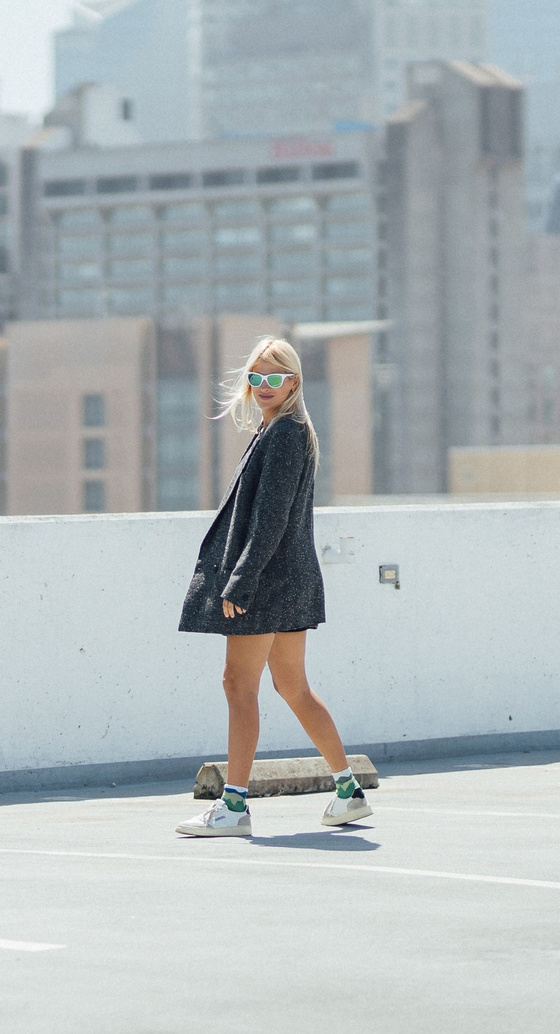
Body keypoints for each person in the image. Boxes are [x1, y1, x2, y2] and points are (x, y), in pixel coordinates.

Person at [174, 336, 369, 836]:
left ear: (294, 381)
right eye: (256, 377)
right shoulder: (284, 430)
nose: (264, 386)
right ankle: (347, 792)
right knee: (293, 688)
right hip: (292, 579)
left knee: (240, 686)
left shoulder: (284, 434)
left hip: (268, 581)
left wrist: (240, 582)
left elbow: (270, 520)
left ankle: (234, 807)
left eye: (274, 377)